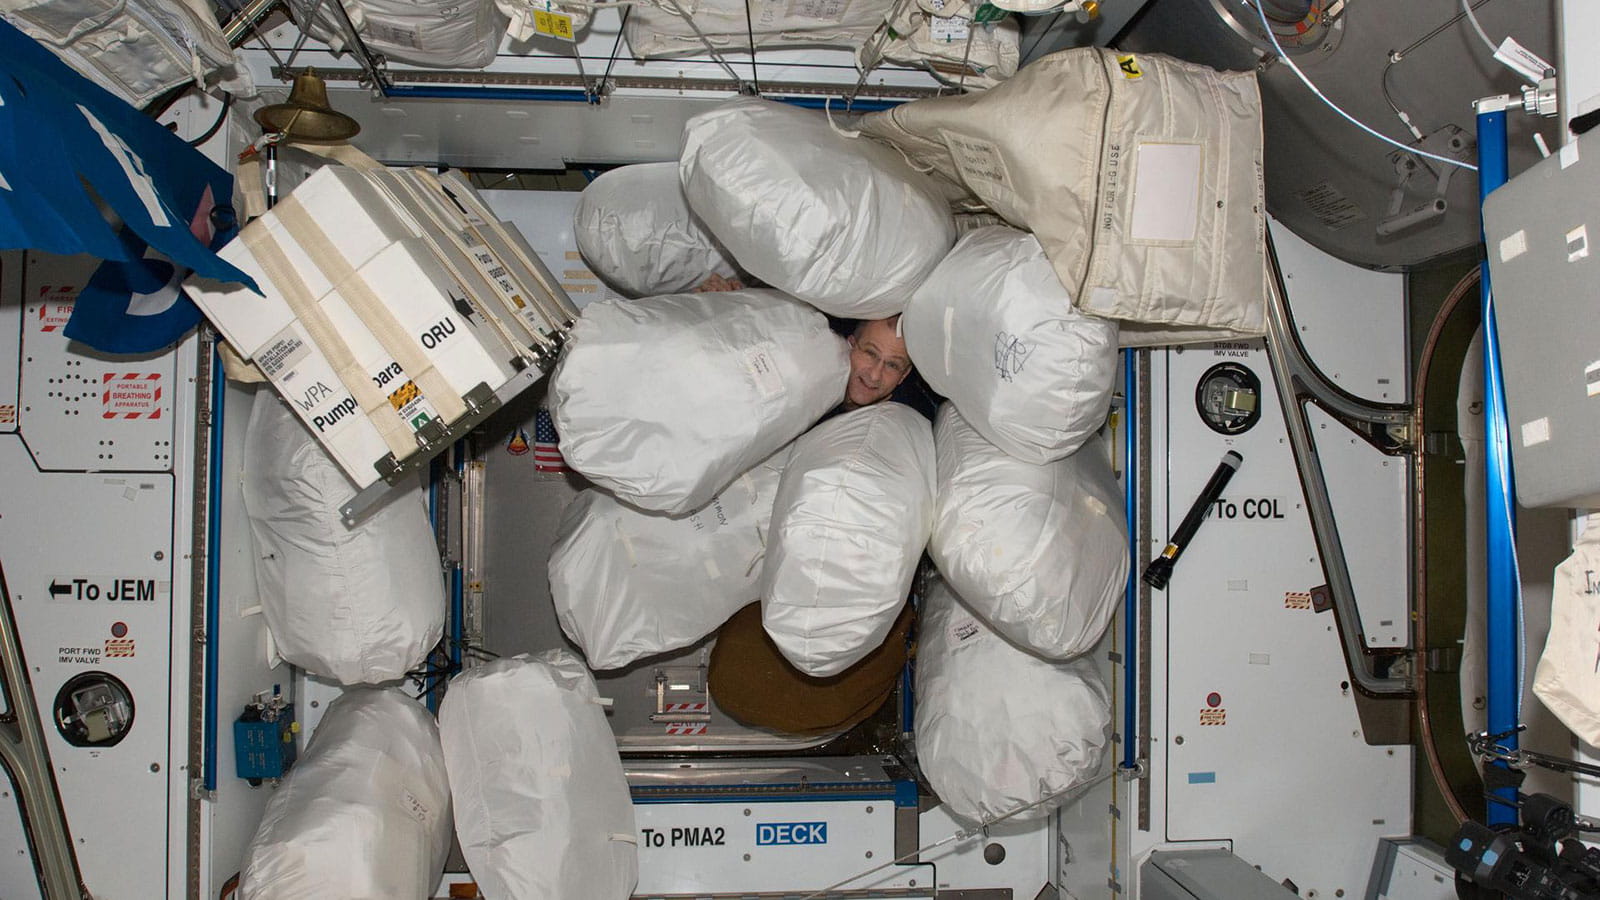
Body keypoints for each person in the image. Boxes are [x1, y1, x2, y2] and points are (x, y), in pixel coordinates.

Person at [842, 316, 914, 411]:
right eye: (871, 353)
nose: (874, 376)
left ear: (904, 375)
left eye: (892, 365)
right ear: (851, 345)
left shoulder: (901, 416)